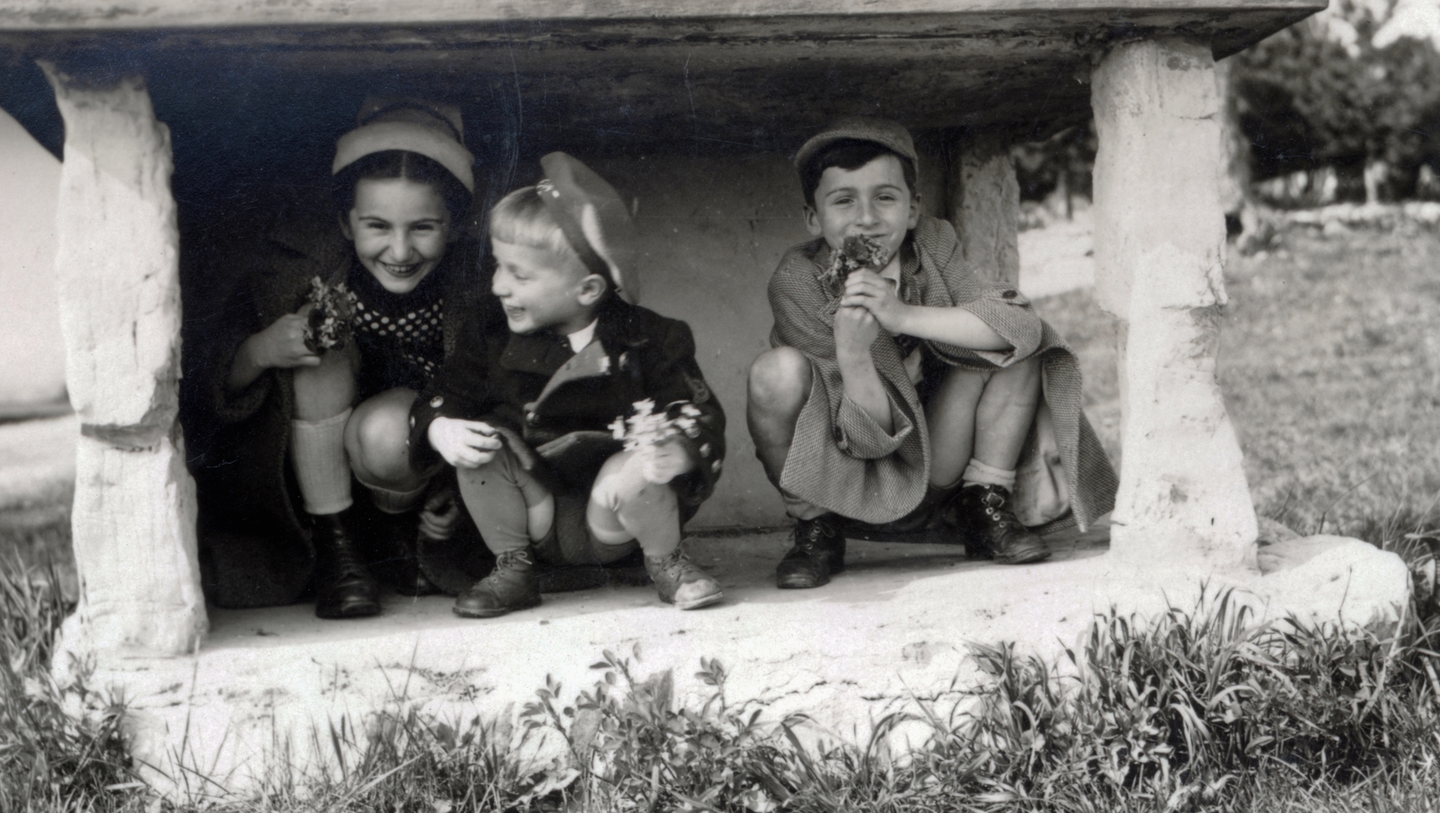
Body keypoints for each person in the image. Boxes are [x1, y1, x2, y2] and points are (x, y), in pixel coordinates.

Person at [746, 117, 1117, 588]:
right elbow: (865, 443)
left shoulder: (933, 246)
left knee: (1016, 343)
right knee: (773, 374)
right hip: (845, 479)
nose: (867, 218)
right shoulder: (798, 281)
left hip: (936, 466)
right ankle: (815, 529)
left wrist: (902, 317)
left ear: (914, 208)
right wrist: (855, 354)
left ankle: (984, 504)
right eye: (843, 201)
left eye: (885, 197)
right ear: (813, 219)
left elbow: (1020, 325)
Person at [411, 152, 728, 618]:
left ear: (587, 290)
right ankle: (512, 569)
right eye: (497, 267)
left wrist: (674, 448)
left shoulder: (651, 339)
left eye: (518, 274)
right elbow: (443, 399)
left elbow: (697, 410)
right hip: (531, 512)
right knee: (483, 443)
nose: (498, 286)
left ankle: (667, 562)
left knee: (640, 460)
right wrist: (443, 431)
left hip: (615, 517)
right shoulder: (488, 334)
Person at [199, 100, 479, 617]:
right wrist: (263, 348)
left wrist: (457, 489)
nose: (399, 251)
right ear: (346, 224)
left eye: (423, 227)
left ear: (455, 225)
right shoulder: (297, 273)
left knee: (389, 429)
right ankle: (340, 552)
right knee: (318, 349)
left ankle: (395, 544)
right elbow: (212, 383)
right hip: (314, 483)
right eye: (377, 226)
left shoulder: (473, 285)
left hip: (410, 461)